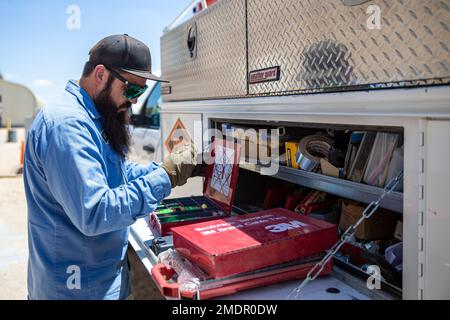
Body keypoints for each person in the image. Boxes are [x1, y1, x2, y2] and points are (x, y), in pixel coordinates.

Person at [23, 34, 197, 300]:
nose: (136, 101)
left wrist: (167, 169)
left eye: (141, 91)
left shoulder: (94, 115)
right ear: (101, 74)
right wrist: (165, 176)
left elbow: (119, 175)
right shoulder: (68, 125)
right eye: (132, 90)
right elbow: (95, 211)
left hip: (103, 282)